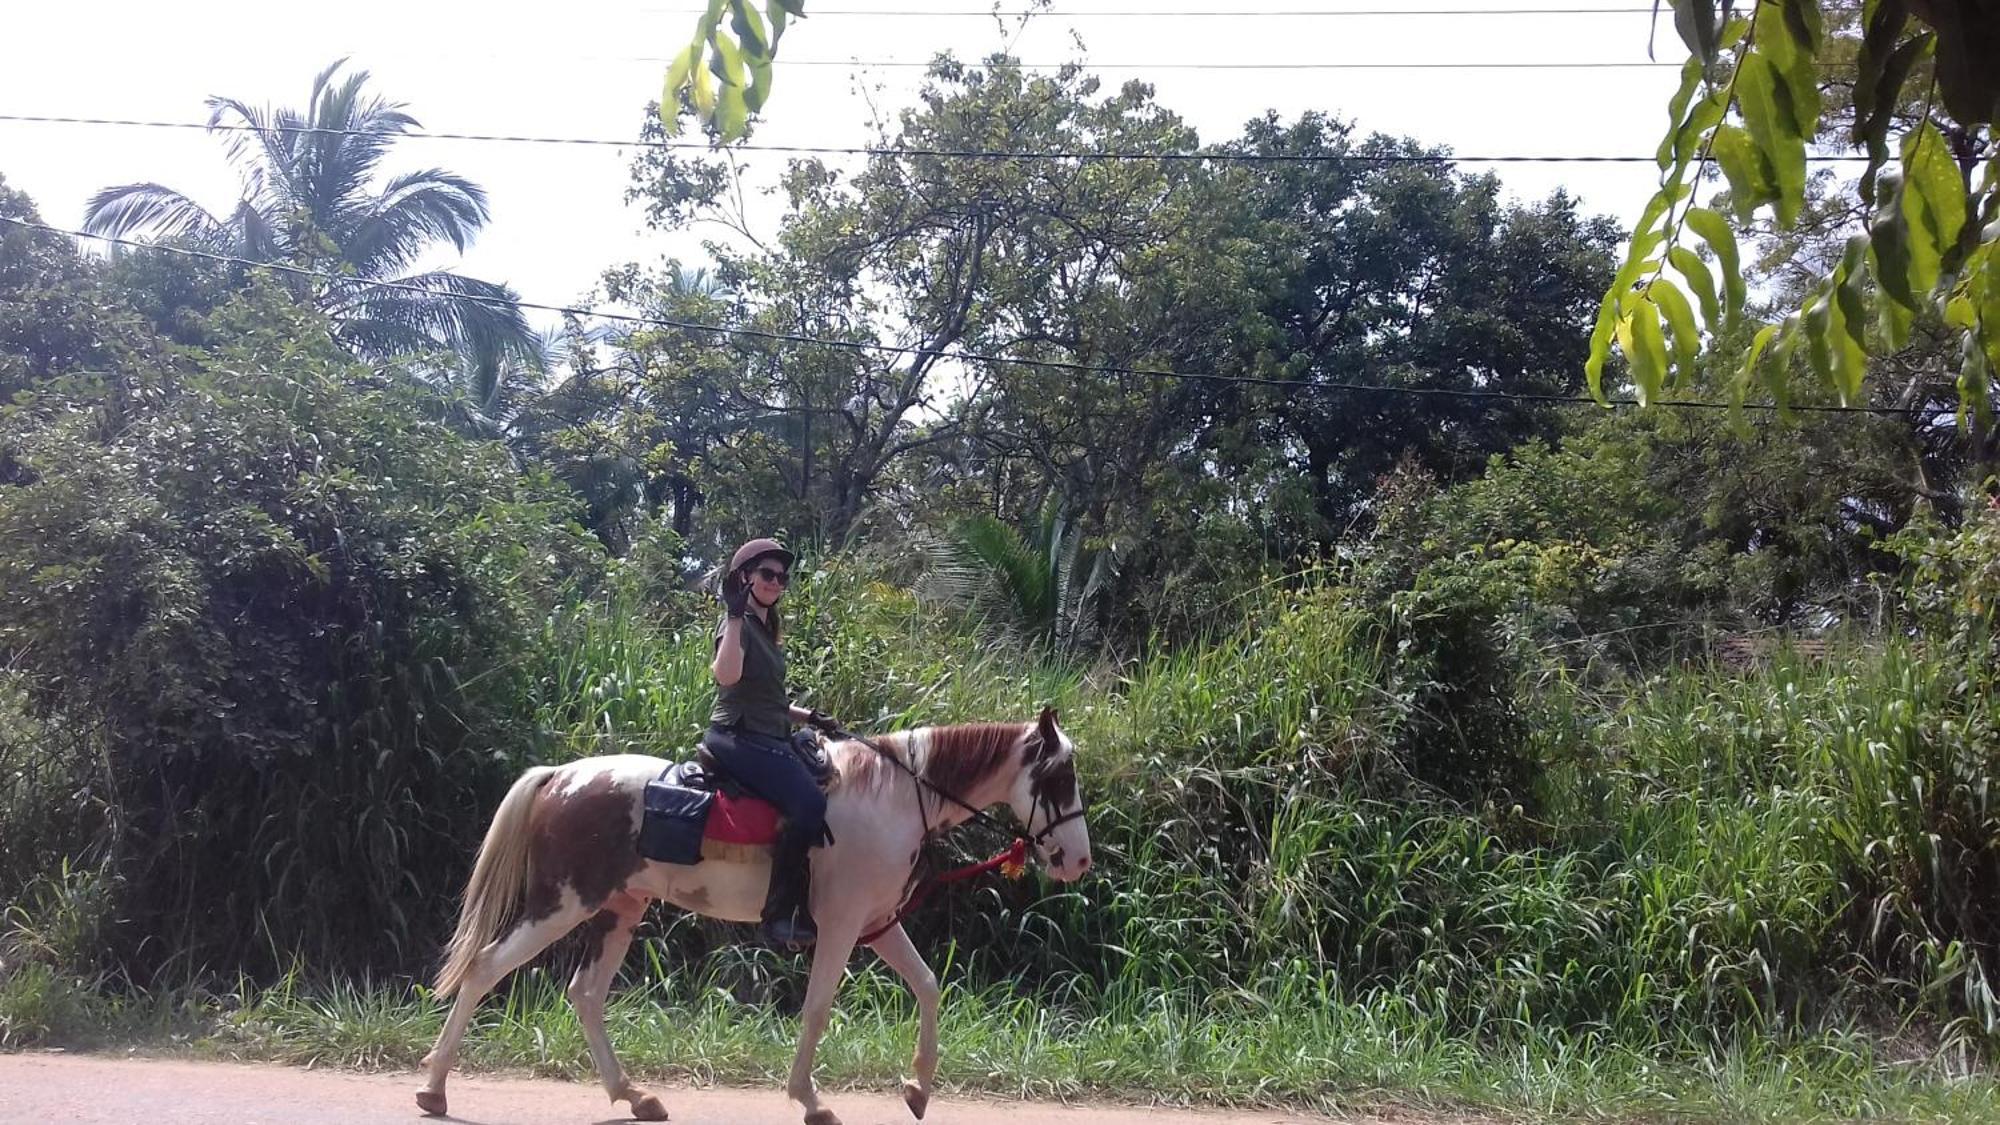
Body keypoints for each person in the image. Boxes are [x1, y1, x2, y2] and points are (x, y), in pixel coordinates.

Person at [707, 537, 838, 949]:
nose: (776, 582)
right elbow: (726, 677)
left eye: (782, 577)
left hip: (768, 732)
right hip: (737, 736)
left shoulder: (766, 630)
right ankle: (779, 914)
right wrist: (731, 614)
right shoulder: (739, 625)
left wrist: (810, 717)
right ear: (744, 577)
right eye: (767, 574)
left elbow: (770, 700)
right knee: (809, 804)